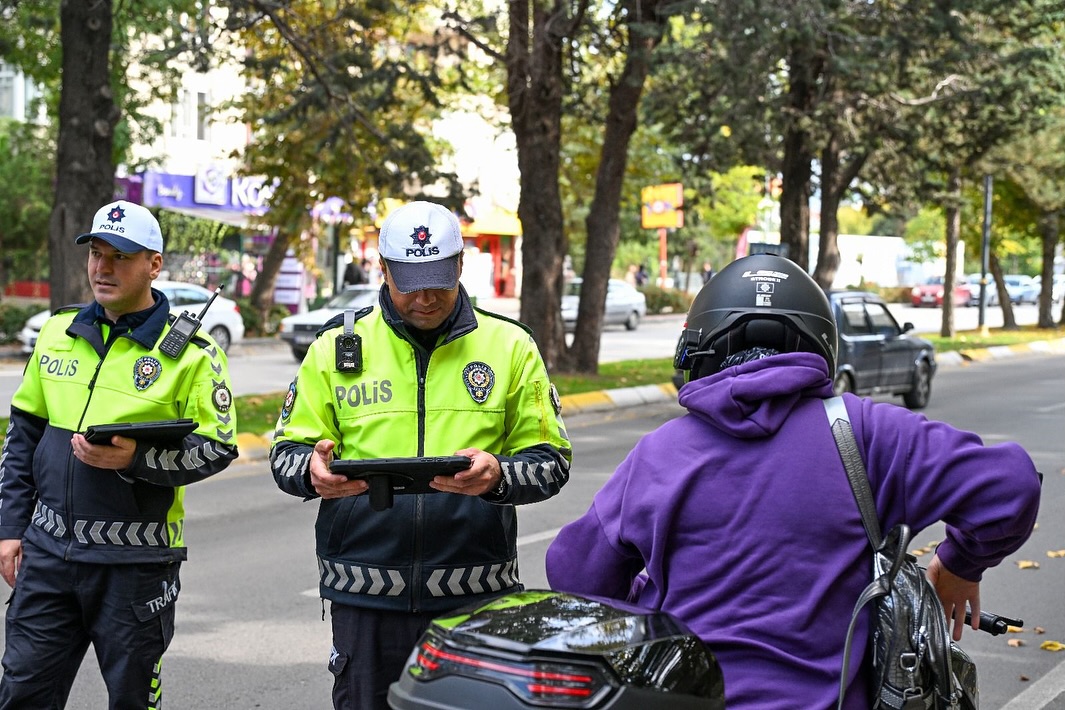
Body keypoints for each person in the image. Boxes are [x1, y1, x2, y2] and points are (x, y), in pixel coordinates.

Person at [545, 254, 1040, 709]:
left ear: (696, 346)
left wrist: (648, 599)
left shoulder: (660, 453)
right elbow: (1011, 485)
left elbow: (573, 570)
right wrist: (957, 564)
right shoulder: (867, 433)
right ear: (822, 344)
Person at [270, 199, 572, 710]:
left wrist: (499, 476)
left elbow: (551, 461)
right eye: (410, 282)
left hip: (475, 595)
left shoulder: (511, 346)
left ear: (460, 265)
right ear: (382, 270)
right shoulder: (334, 348)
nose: (426, 297)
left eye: (439, 279)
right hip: (364, 594)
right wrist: (312, 471)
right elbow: (286, 454)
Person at [0, 200, 239, 709]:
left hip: (135, 564)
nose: (102, 269)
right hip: (47, 556)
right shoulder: (56, 332)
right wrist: (10, 528)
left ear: (154, 264)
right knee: (21, 694)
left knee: (133, 701)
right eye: (96, 254)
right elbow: (23, 438)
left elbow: (217, 449)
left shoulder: (193, 353)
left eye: (120, 257)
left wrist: (135, 461)